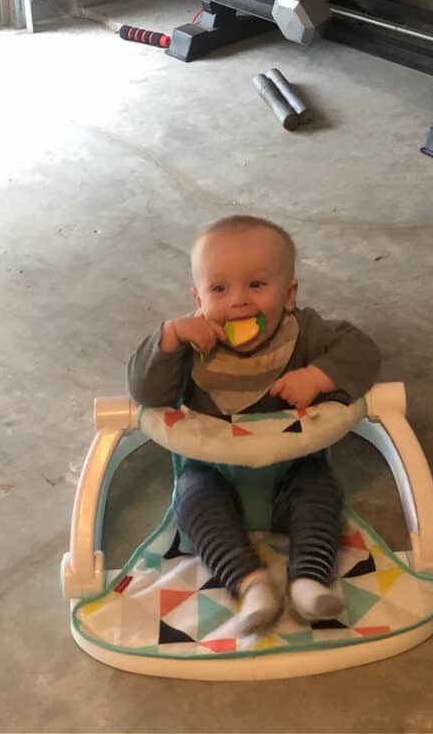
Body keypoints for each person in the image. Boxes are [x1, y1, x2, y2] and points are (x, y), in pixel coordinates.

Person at [127, 215, 380, 635]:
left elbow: (363, 350)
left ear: (289, 293)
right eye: (219, 289)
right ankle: (250, 583)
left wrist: (318, 376)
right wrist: (169, 337)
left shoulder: (303, 333)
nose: (238, 302)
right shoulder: (192, 343)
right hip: (215, 475)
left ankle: (309, 581)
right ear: (198, 297)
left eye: (257, 285)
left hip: (291, 472)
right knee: (189, 496)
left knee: (320, 489)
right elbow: (146, 393)